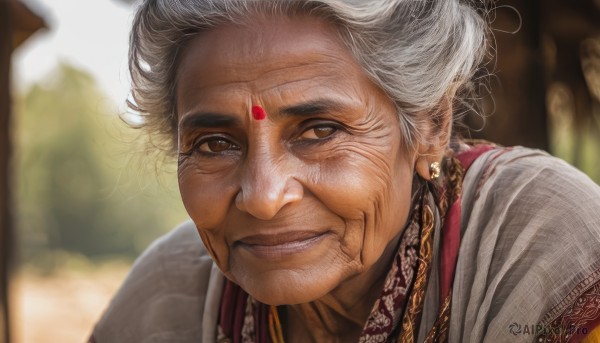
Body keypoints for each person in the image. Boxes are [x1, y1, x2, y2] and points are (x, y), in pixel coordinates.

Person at [90, 0, 600, 342]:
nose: (264, 197)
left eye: (320, 131)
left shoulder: (544, 244)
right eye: (215, 144)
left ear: (430, 127)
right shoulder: (167, 300)